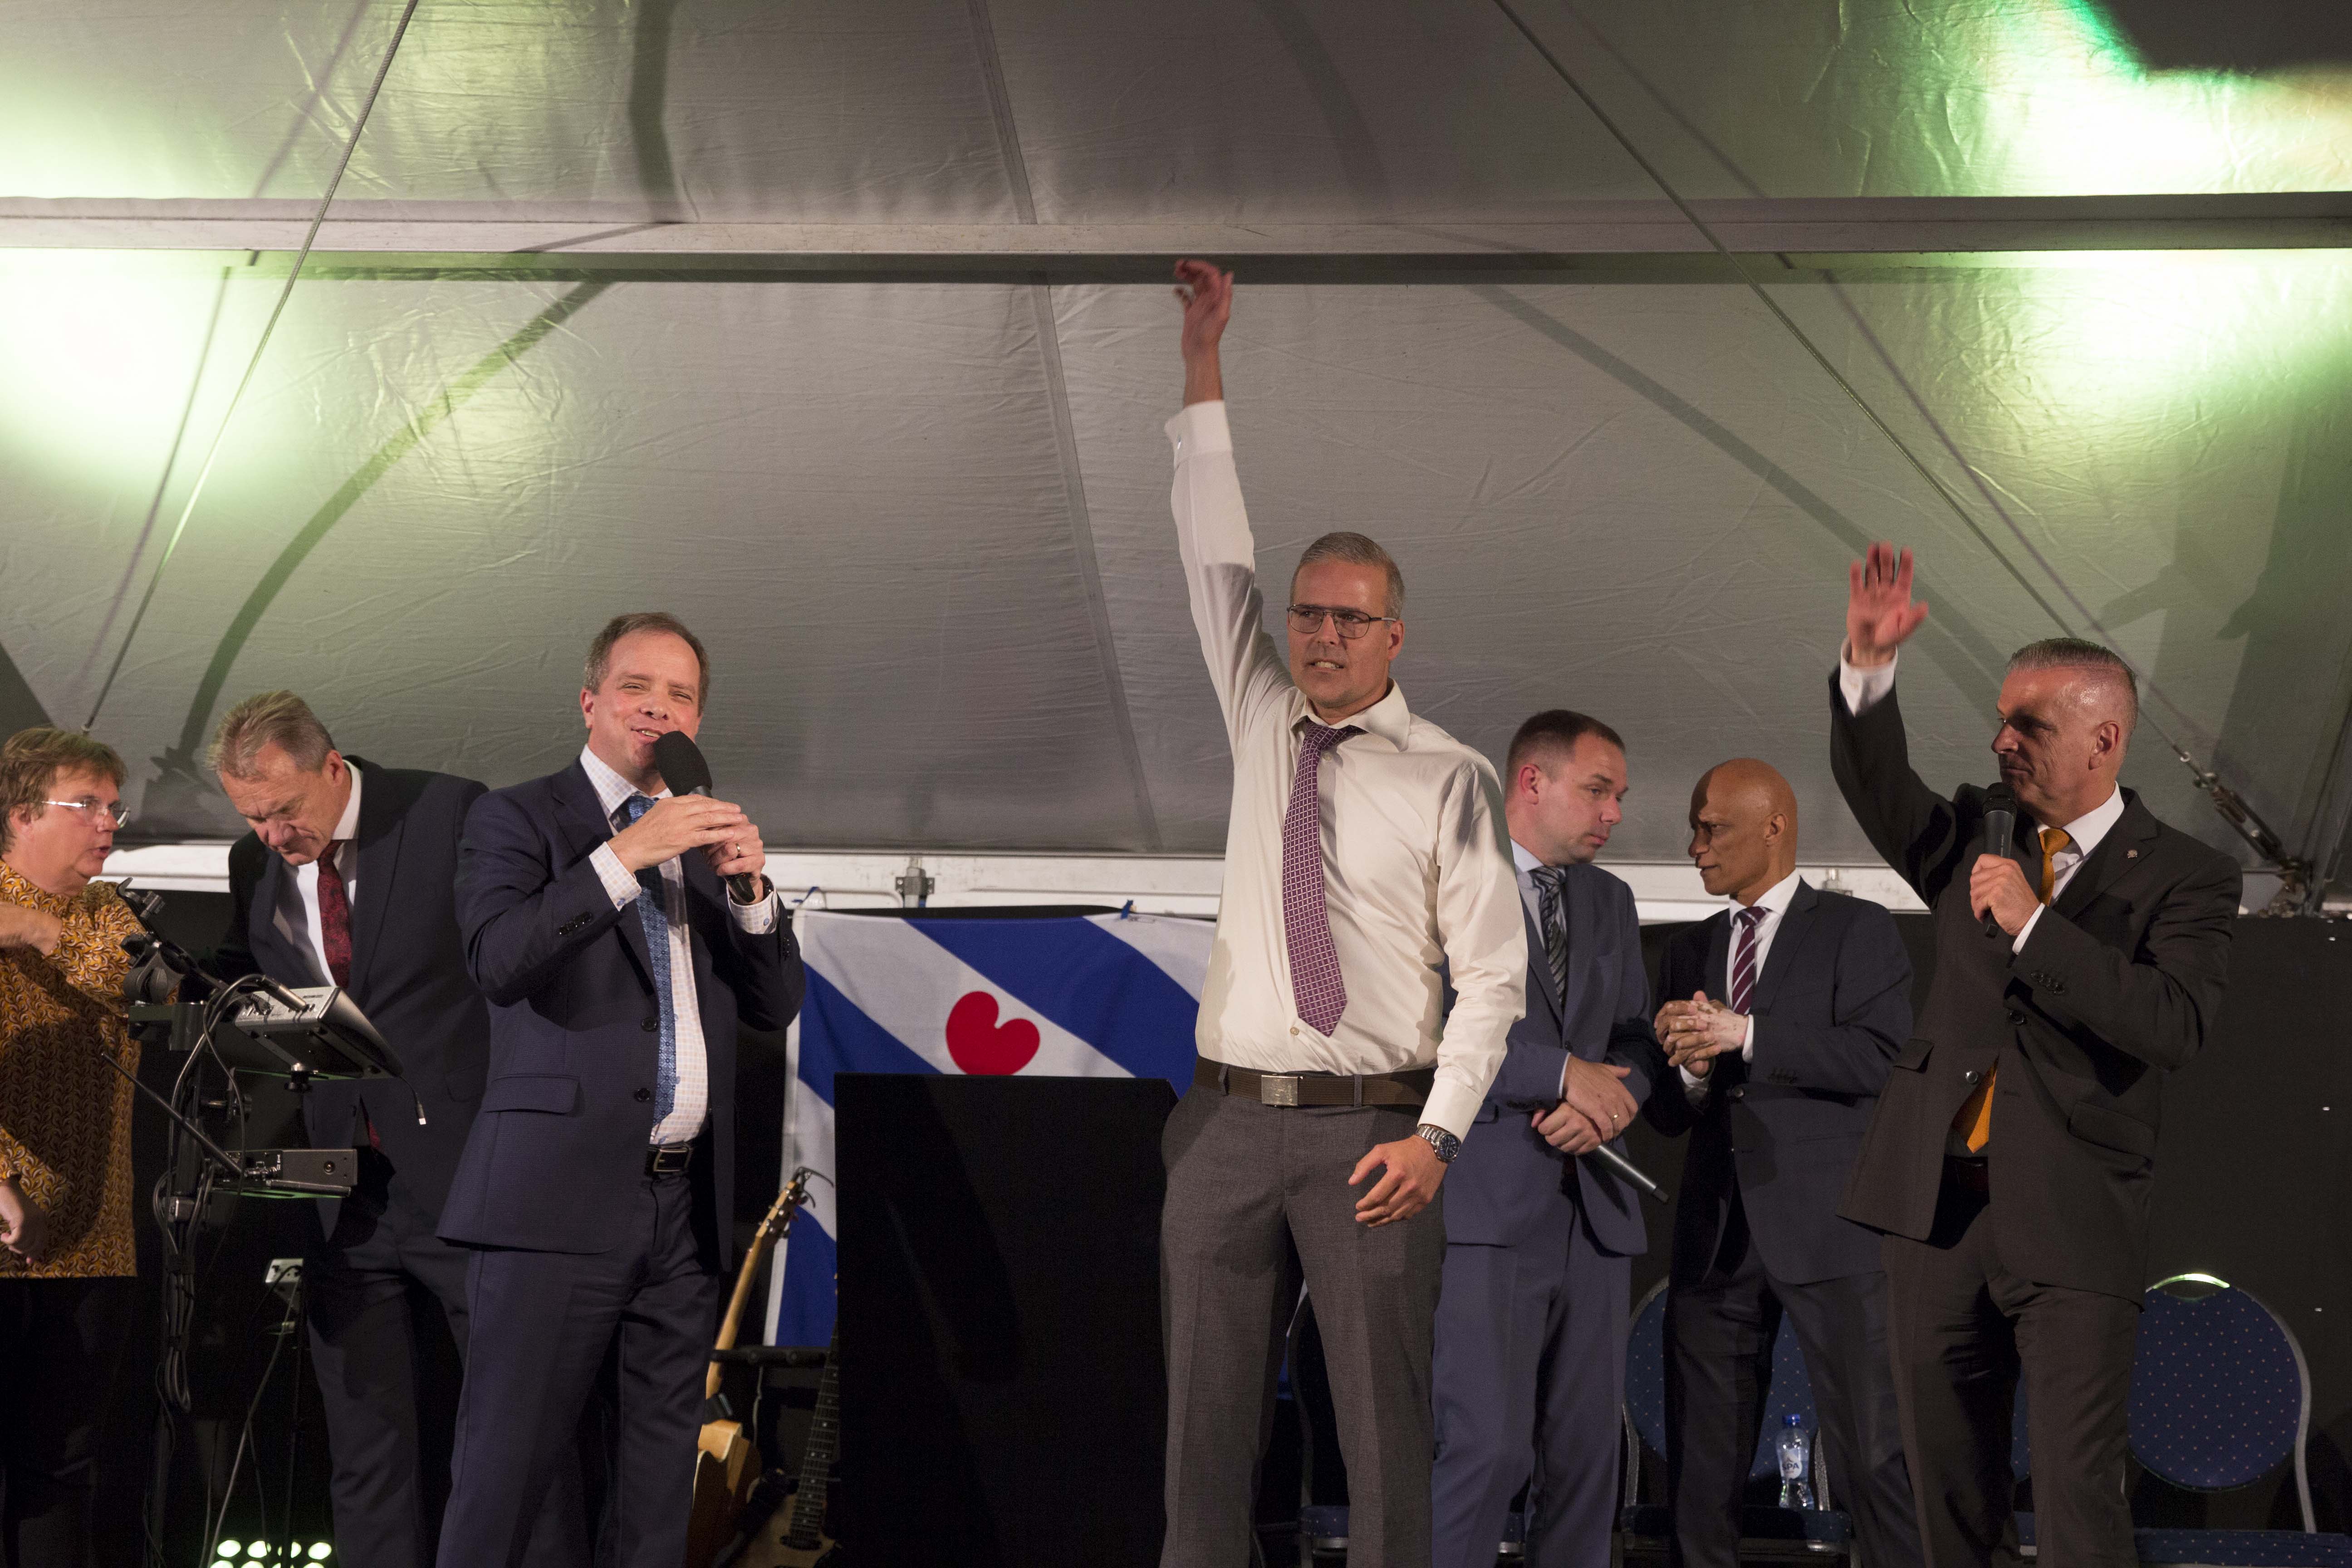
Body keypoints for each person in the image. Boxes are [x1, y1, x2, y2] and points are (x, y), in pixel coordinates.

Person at [1159, 260, 1526, 1568]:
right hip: (1224, 1122)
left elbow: (1494, 979)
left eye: (1348, 619)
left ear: (1394, 637)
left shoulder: (1449, 777)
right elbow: (1213, 554)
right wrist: (1203, 365)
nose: (1320, 635)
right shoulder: (1263, 717)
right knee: (1201, 1444)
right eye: (1307, 613)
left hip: (1374, 1132)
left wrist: (1438, 1137)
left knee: (1381, 1438)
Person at [1831, 544, 2239, 1568]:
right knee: (1944, 1492)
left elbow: (2173, 1023)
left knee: (2073, 1500)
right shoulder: (1978, 832)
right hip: (1936, 1211)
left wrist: (2036, 928)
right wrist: (1868, 670)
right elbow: (1876, 784)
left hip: (2072, 1216)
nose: (2001, 740)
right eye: (2002, 719)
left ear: (2105, 740)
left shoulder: (2188, 876)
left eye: (2031, 726)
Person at [434, 612, 804, 1568]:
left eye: (681, 696)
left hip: (682, 1209)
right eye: (637, 687)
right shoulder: (517, 817)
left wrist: (751, 892)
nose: (658, 709)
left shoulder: (700, 835)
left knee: (655, 1499)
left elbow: (774, 1005)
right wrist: (626, 855)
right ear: (591, 701)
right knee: (505, 1478)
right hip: (551, 1202)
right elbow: (498, 960)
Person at [209, 691, 586, 1568]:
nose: (272, 834)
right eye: (253, 817)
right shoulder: (251, 862)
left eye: (284, 810)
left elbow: (525, 957)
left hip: (473, 1174)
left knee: (513, 1436)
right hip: (345, 1193)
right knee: (365, 1444)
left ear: (331, 766)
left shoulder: (448, 812)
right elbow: (238, 975)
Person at [1645, 758, 1920, 1568]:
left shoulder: (1855, 928)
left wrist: (1749, 1035)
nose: (1695, 847)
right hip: (1715, 1238)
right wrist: (1694, 1070)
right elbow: (1669, 1111)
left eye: (1712, 829)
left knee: (1876, 1456)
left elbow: (1885, 1059)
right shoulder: (1689, 948)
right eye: (1693, 830)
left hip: (1833, 1232)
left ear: (1775, 828)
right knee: (1700, 1476)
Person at [1432, 710, 1667, 1568]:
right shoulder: (1446, 874)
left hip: (1596, 1213)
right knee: (1488, 1450)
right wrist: (1564, 1075)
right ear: (1531, 781)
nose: (1614, 814)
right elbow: (1431, 1029)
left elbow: (1635, 1039)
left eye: (1619, 796)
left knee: (1587, 1464)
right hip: (1488, 1207)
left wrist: (1616, 1098)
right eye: (1598, 791)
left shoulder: (1611, 900)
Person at [0, 727, 142, 1567]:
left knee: (65, 1467)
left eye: (114, 807)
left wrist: (39, 929)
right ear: (22, 814)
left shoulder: (107, 913)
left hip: (95, 1235)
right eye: (85, 804)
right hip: (6, 1230)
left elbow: (129, 979)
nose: (107, 823)